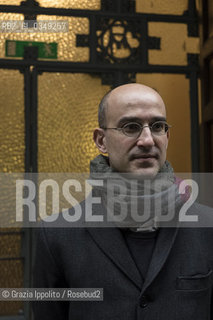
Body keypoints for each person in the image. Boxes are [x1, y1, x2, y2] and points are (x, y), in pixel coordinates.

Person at [33, 83, 213, 319]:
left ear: (167, 137)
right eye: (131, 127)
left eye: (157, 126)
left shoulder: (207, 226)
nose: (147, 140)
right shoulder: (57, 235)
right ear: (101, 140)